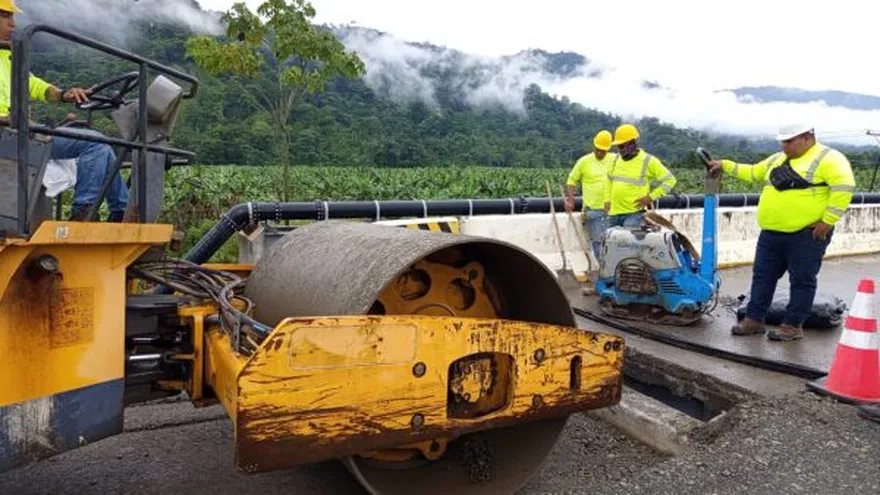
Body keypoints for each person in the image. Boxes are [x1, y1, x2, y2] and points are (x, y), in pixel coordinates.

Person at [708, 124, 855, 341]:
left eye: (789, 141)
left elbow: (844, 187)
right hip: (771, 233)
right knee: (762, 277)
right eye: (782, 141)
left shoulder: (830, 159)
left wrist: (828, 221)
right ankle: (754, 320)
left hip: (805, 234)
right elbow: (752, 172)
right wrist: (725, 165)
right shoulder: (776, 159)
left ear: (807, 137)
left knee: (802, 280)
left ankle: (792, 326)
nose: (783, 145)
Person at [0, 0, 128, 222]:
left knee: (103, 148)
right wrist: (6, 119)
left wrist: (64, 94)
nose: (13, 23)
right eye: (5, 16)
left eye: (12, 16)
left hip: (19, 134)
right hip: (8, 135)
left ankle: (121, 213)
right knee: (95, 144)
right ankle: (83, 211)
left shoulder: (8, 58)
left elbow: (35, 86)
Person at [603, 123, 677, 227]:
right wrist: (607, 200)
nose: (619, 150)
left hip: (634, 215)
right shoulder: (615, 160)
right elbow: (609, 180)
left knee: (628, 241)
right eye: (618, 147)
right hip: (613, 214)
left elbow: (670, 180)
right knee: (610, 242)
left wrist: (651, 197)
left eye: (621, 146)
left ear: (632, 143)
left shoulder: (648, 161)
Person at [564, 129, 616, 260]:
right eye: (598, 149)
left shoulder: (615, 159)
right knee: (599, 243)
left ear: (608, 149)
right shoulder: (584, 161)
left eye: (603, 150)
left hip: (614, 210)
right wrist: (570, 200)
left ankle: (614, 273)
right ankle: (606, 274)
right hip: (593, 211)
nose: (600, 152)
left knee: (615, 243)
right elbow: (571, 181)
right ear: (594, 145)